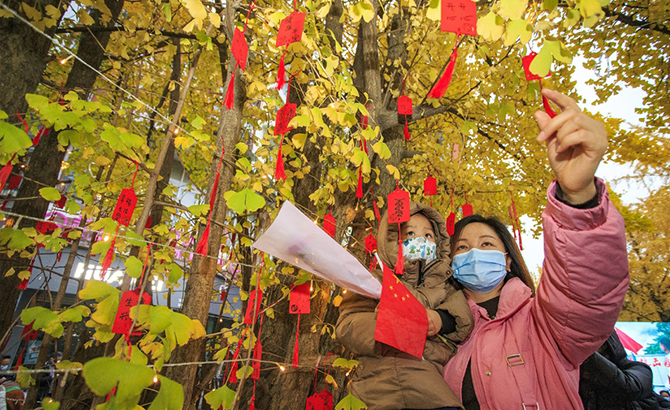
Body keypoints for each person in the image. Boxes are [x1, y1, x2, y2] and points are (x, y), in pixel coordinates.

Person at [434, 88, 629, 409]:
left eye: (486, 244)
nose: (474, 253)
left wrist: (578, 197)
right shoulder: (446, 332)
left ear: (507, 258)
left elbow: (585, 293)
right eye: (462, 247)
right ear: (452, 262)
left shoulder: (547, 323)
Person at [336, 202, 474, 409]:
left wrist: (439, 320)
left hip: (429, 383)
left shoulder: (445, 285)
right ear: (392, 239)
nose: (420, 240)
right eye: (410, 233)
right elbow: (348, 325)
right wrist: (385, 327)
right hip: (375, 384)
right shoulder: (374, 280)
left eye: (428, 235)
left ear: (439, 243)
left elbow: (462, 318)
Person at [579, 330, 659, 410]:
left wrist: (583, 351)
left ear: (607, 347)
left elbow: (628, 387)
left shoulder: (639, 368)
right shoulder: (581, 379)